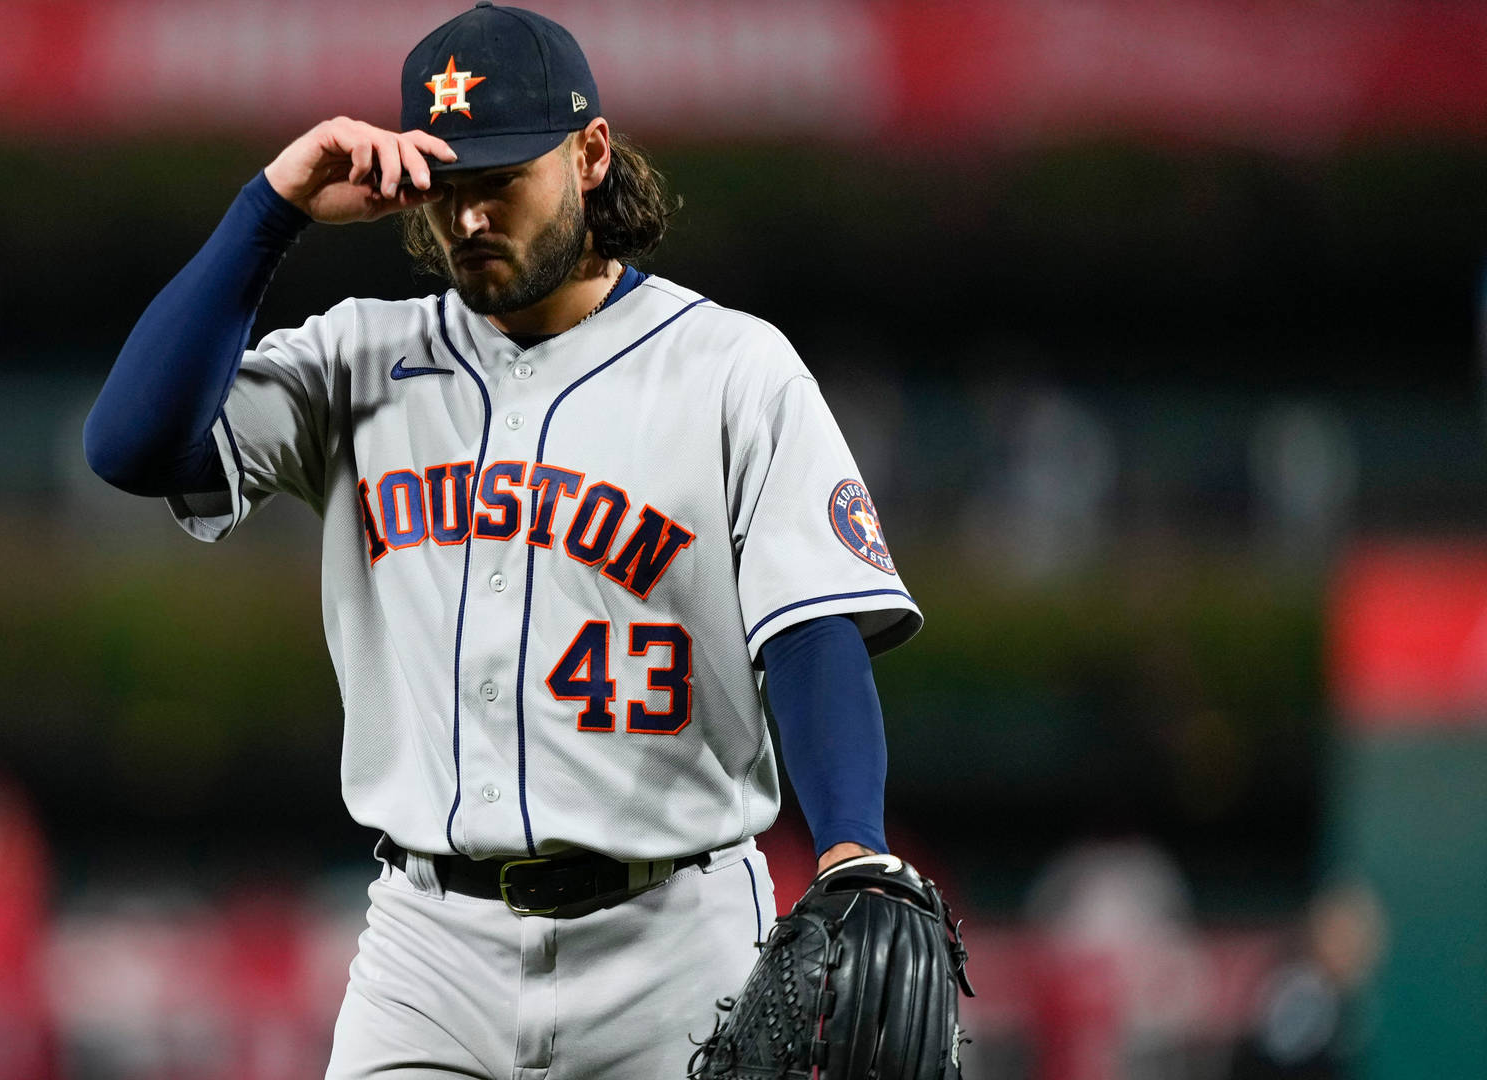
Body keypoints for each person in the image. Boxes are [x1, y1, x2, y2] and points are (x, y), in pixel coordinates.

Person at [83, 4, 922, 1076]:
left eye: (502, 182)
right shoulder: (358, 357)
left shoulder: (729, 367)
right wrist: (271, 209)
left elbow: (809, 632)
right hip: (428, 950)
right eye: (449, 187)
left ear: (590, 154)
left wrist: (852, 841)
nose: (472, 218)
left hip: (676, 935)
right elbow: (132, 446)